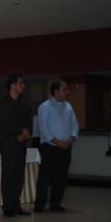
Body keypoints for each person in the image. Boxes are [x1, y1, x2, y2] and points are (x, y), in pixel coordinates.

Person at [34, 80, 79, 213]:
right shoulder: (44, 107)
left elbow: (74, 125)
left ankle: (55, 203)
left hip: (66, 146)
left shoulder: (68, 106)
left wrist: (71, 138)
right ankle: (39, 204)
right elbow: (43, 128)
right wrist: (58, 142)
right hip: (50, 147)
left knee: (61, 176)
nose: (67, 92)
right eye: (64, 90)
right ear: (56, 91)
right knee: (45, 177)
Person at [0, 73, 32, 217]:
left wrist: (26, 132)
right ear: (13, 85)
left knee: (19, 177)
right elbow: (2, 124)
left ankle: (16, 205)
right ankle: (8, 207)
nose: (24, 86)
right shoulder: (3, 103)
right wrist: (19, 131)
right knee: (8, 177)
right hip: (9, 146)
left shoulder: (23, 103)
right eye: (21, 83)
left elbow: (29, 122)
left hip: (22, 146)